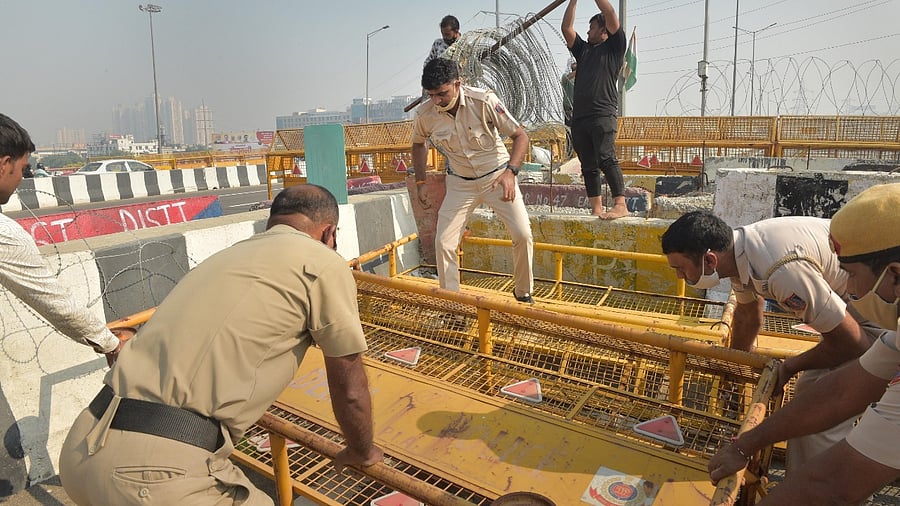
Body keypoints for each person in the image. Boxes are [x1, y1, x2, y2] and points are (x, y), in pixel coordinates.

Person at [59, 184, 384, 505]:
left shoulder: (229, 255)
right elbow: (349, 382)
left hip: (84, 445)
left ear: (273, 222)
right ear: (330, 233)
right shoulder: (323, 262)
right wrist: (362, 449)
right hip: (152, 476)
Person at [708, 183, 900, 505]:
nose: (848, 290)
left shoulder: (780, 268)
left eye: (850, 275)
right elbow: (843, 390)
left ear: (895, 274)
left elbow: (833, 484)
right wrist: (745, 445)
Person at [661, 211, 881, 473]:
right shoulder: (740, 252)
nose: (679, 277)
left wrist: (789, 366)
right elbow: (748, 316)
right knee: (810, 389)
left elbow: (853, 344)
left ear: (709, 260)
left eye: (680, 268)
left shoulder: (780, 270)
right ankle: (806, 482)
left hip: (882, 303)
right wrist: (735, 371)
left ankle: (818, 486)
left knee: (816, 403)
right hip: (856, 298)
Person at [0, 113, 123, 363]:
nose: (22, 179)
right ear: (4, 164)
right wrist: (111, 343)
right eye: (22, 169)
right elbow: (56, 302)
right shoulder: (6, 234)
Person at [411, 58, 535, 303]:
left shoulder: (484, 101)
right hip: (460, 183)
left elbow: (520, 136)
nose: (437, 101)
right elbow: (417, 144)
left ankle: (523, 293)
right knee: (444, 243)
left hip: (497, 177)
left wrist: (511, 172)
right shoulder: (425, 114)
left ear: (458, 84)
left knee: (523, 235)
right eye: (432, 95)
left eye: (442, 94)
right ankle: (453, 305)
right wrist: (420, 182)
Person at [561, 0, 628, 219]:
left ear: (604, 30)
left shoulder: (614, 47)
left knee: (605, 157)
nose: (588, 31)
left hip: (602, 113)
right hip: (580, 117)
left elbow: (608, 11)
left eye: (591, 27)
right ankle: (596, 208)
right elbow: (567, 29)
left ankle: (620, 204)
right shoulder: (584, 51)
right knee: (588, 165)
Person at [561, 57, 577, 126]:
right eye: (574, 63)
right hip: (569, 107)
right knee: (570, 128)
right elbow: (567, 78)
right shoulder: (565, 77)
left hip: (580, 106)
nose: (575, 64)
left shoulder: (582, 77)